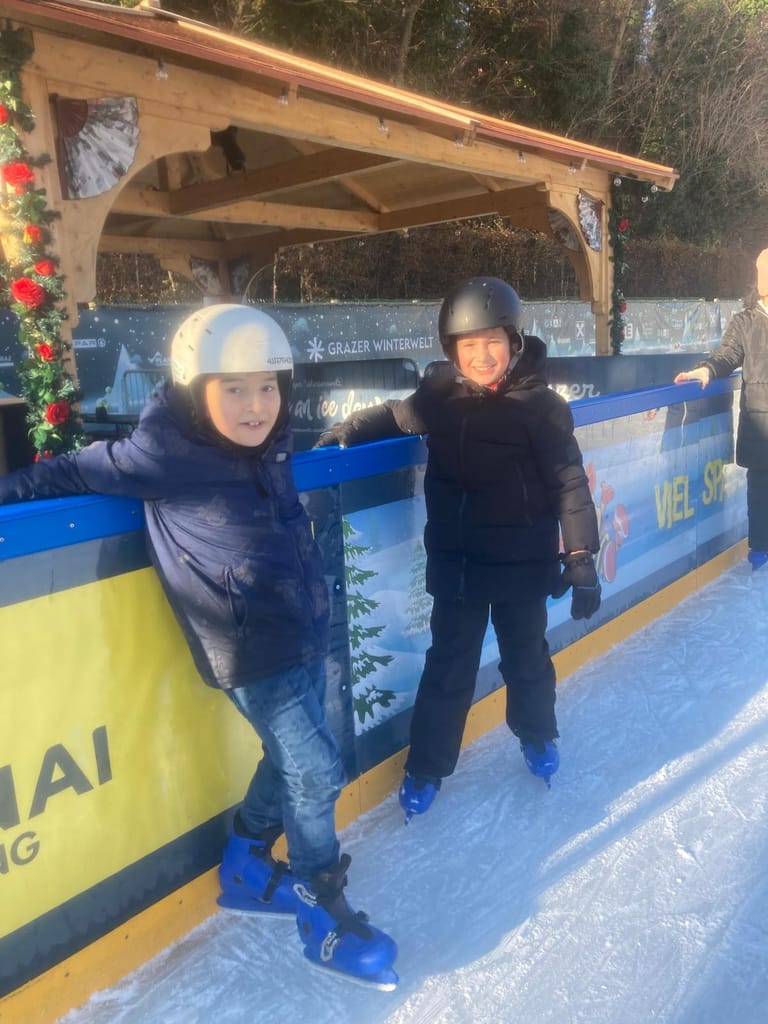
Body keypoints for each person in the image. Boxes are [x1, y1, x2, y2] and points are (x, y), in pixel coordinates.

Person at [0, 304, 398, 990]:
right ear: (194, 388)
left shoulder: (268, 445)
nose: (255, 405)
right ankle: (320, 907)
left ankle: (245, 864)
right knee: (315, 771)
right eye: (234, 388)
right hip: (247, 647)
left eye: (267, 386)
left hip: (298, 625)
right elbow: (65, 473)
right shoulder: (163, 456)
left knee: (300, 759)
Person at [315, 277, 601, 821]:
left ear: (514, 341)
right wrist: (353, 426)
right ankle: (427, 764)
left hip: (522, 563)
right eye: (467, 347)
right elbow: (397, 415)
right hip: (458, 566)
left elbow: (570, 482)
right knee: (448, 666)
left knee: (527, 658)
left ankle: (537, 734)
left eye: (491, 342)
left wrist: (580, 558)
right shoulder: (439, 397)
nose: (481, 356)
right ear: (452, 352)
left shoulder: (542, 407)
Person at [674, 247, 768, 571]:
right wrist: (706, 370)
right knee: (761, 490)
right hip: (762, 424)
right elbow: (726, 354)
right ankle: (760, 550)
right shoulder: (746, 322)